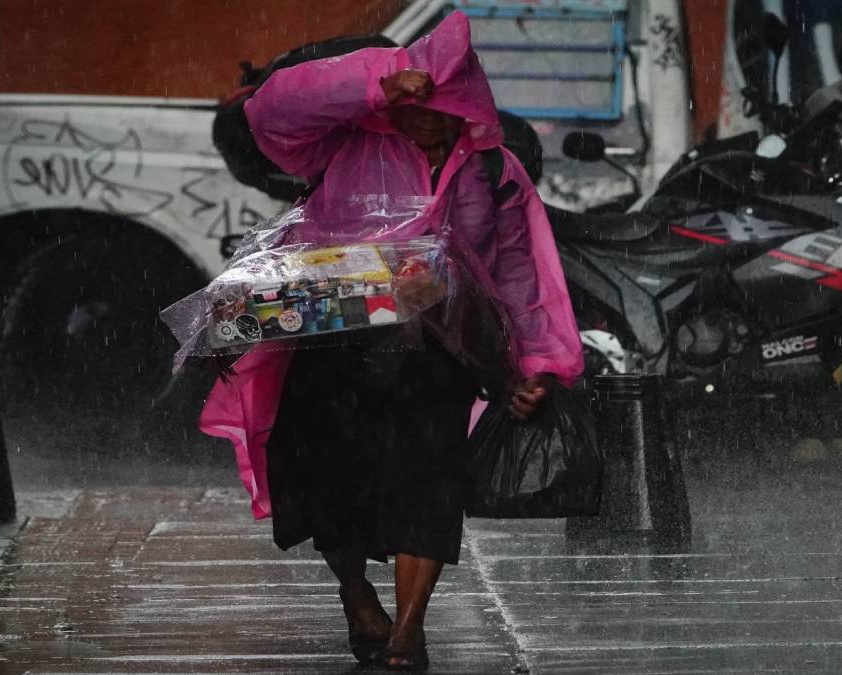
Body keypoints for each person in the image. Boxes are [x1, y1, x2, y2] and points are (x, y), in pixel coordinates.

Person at [198, 12, 583, 671]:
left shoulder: (495, 170)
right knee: (323, 478)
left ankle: (408, 630)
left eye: (435, 109)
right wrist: (375, 81)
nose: (419, 121)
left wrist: (536, 361)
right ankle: (355, 592)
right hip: (333, 338)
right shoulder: (350, 139)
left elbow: (521, 270)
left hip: (437, 351)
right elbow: (273, 111)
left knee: (426, 481)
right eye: (411, 107)